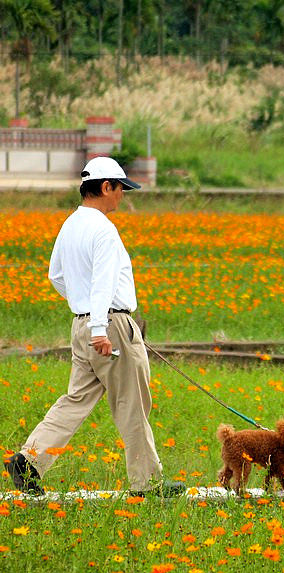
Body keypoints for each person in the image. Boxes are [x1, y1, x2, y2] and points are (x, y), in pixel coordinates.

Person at [4, 156, 184, 497]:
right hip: (110, 326)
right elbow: (103, 281)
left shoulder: (70, 224)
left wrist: (84, 311)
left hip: (82, 325)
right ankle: (147, 484)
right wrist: (101, 327)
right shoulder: (103, 228)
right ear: (105, 187)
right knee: (132, 404)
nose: (122, 197)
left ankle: (29, 460)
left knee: (76, 399)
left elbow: (55, 276)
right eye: (120, 189)